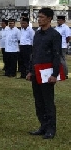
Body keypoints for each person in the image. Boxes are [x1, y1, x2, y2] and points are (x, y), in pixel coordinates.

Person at [26, 8, 62, 139]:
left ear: (49, 19)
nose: (39, 19)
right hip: (36, 71)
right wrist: (30, 71)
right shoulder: (37, 34)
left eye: (41, 17)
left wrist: (55, 74)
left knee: (48, 101)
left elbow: (57, 55)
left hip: (47, 73)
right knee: (38, 101)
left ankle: (51, 129)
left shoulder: (54, 35)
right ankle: (43, 125)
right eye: (38, 17)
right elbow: (34, 54)